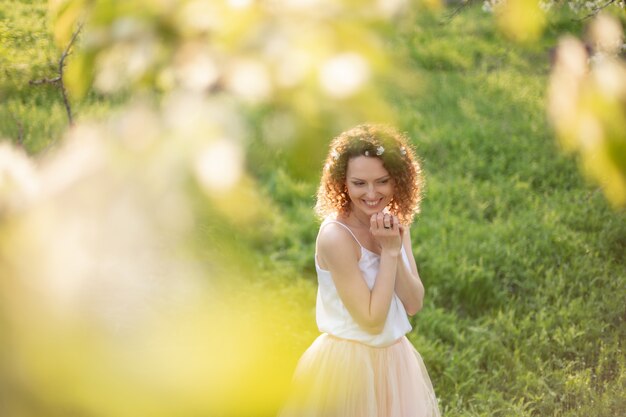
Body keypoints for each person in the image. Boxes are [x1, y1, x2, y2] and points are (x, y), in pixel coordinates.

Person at [279, 124, 440, 417]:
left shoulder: (394, 223)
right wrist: (389, 253)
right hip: (348, 367)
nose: (371, 193)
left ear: (398, 181)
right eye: (359, 183)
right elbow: (371, 320)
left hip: (395, 360)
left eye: (382, 181)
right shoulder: (336, 237)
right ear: (343, 183)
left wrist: (394, 243)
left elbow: (414, 303)